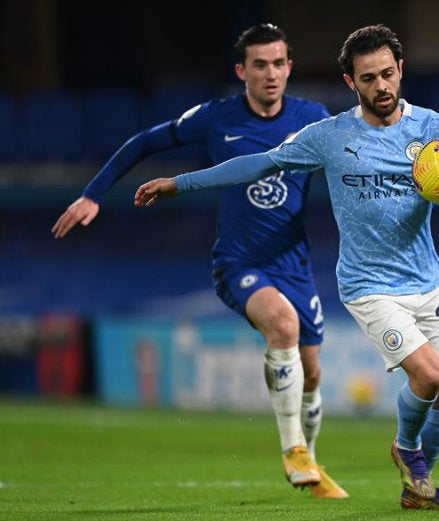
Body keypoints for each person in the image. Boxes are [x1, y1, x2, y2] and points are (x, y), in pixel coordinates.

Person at [133, 24, 439, 511]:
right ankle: (405, 451)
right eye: (368, 78)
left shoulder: (433, 128)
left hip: (426, 281)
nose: (381, 86)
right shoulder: (328, 136)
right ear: (351, 82)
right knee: (427, 379)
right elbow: (258, 164)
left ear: (401, 70)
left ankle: (417, 490)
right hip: (369, 286)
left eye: (388, 74)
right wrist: (180, 183)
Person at [51, 23, 348, 499]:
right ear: (241, 70)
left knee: (312, 373)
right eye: (259, 65)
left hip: (294, 265)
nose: (270, 74)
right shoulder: (216, 118)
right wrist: (94, 194)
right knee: (283, 326)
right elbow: (144, 142)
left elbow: (352, 160)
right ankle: (292, 449)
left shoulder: (314, 117)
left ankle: (309, 459)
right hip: (239, 262)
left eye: (278, 64)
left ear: (289, 68)